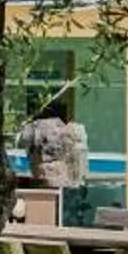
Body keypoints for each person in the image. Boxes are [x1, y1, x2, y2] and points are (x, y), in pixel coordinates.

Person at [16, 94, 93, 226]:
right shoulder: (74, 130)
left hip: (45, 185)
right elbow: (82, 166)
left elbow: (20, 141)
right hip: (70, 185)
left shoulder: (34, 128)